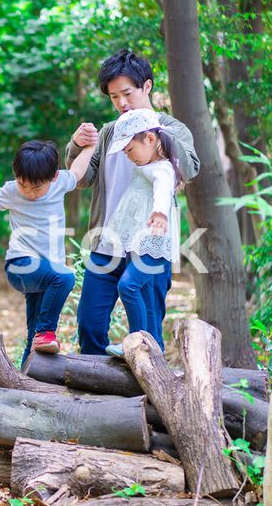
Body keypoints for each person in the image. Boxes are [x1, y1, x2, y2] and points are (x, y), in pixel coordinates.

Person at [65, 49, 200, 356]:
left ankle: (150, 396)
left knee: (147, 328)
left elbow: (190, 168)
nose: (122, 103)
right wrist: (76, 145)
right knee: (89, 324)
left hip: (149, 244)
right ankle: (95, 394)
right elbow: (83, 178)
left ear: (147, 87)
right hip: (107, 241)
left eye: (127, 93)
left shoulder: (170, 128)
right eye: (114, 97)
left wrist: (155, 129)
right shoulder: (110, 132)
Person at [0, 138, 97, 366]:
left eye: (36, 187)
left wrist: (90, 147)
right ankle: (47, 332)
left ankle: (25, 382)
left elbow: (78, 170)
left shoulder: (60, 182)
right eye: (23, 184)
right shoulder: (12, 191)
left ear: (52, 177)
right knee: (65, 277)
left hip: (45, 272)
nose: (29, 192)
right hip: (20, 264)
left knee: (34, 339)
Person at [96, 109, 182, 357]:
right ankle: (152, 351)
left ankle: (137, 343)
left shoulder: (162, 168)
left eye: (130, 149)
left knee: (129, 285)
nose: (128, 156)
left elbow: (163, 190)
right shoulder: (147, 166)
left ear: (151, 139)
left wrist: (159, 213)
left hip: (152, 243)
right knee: (147, 300)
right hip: (139, 243)